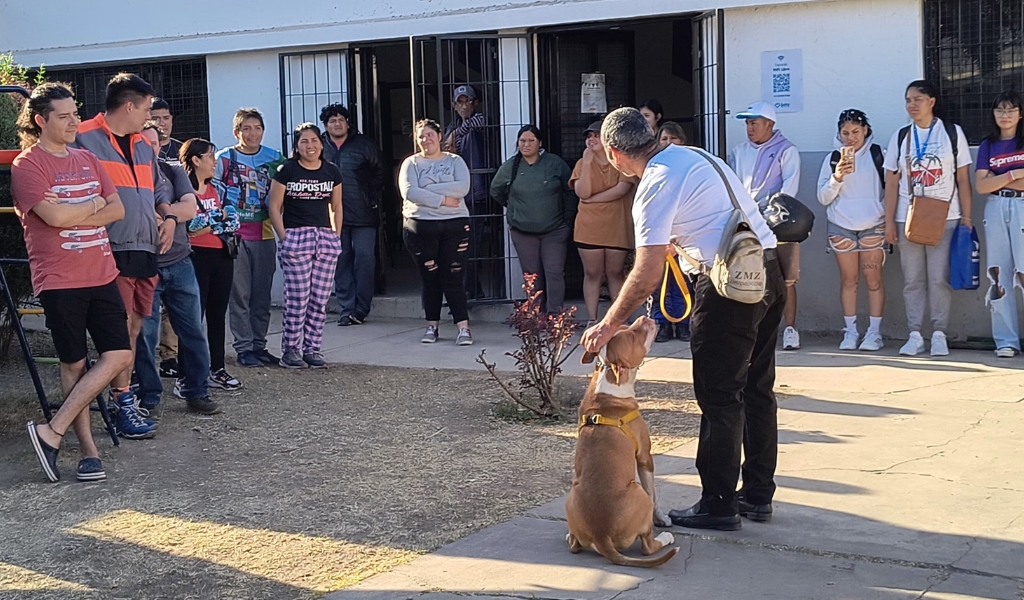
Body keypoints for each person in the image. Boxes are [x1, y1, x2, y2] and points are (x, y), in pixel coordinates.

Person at [582, 107, 783, 531]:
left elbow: (646, 272)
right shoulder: (692, 155)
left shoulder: (653, 183)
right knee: (757, 388)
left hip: (728, 286)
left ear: (616, 155)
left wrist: (608, 323)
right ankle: (758, 495)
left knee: (719, 396)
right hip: (767, 269)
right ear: (651, 134)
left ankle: (718, 504)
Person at [13, 82, 134, 482]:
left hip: (102, 272)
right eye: (63, 117)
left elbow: (117, 209)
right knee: (74, 362)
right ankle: (88, 452)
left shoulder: (88, 159)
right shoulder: (27, 165)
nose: (73, 122)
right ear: (40, 121)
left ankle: (52, 430)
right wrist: (92, 204)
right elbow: (55, 219)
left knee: (119, 355)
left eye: (74, 114)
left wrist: (80, 209)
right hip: (60, 279)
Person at [73, 72, 162, 440]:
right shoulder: (83, 138)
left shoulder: (143, 145)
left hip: (146, 248)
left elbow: (157, 190)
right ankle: (123, 402)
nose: (149, 117)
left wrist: (167, 214)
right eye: (146, 109)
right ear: (129, 105)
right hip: (110, 250)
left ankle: (123, 398)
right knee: (119, 332)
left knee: (136, 327)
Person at [135, 123, 222, 416]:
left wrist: (167, 218)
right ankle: (150, 396)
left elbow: (190, 208)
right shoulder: (126, 172)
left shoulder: (173, 170)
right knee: (146, 335)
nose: (151, 148)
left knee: (193, 331)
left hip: (180, 261)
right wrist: (164, 216)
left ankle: (197, 391)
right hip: (144, 265)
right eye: (143, 142)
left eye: (155, 143)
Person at [883, 80, 973, 357]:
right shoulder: (900, 136)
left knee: (938, 278)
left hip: (945, 215)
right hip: (906, 217)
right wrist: (888, 223)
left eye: (917, 99)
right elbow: (891, 183)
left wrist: (967, 218)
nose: (912, 105)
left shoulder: (951, 133)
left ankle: (938, 333)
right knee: (913, 279)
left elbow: (962, 179)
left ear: (931, 101)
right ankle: (914, 334)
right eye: (908, 100)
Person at [212, 108, 284, 368]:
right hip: (235, 237)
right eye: (246, 128)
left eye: (257, 128)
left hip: (265, 233)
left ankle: (259, 344)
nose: (252, 133)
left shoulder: (275, 158)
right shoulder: (223, 158)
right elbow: (213, 194)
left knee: (261, 294)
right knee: (239, 294)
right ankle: (243, 347)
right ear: (236, 132)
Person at [729, 101, 802, 350]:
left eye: (754, 123)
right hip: (747, 225)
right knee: (750, 275)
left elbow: (788, 190)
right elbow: (734, 186)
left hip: (778, 224)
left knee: (786, 276)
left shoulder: (787, 150)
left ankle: (790, 329)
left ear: (769, 124)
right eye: (747, 123)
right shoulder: (739, 151)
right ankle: (753, 328)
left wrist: (770, 215)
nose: (749, 128)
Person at [269, 123, 344, 368]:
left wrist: (336, 236)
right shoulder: (287, 170)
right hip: (296, 236)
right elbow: (274, 206)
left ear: (321, 144)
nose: (309, 146)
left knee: (319, 299)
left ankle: (312, 348)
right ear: (296, 146)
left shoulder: (331, 171)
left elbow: (336, 206)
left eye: (314, 141)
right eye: (304, 141)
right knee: (298, 298)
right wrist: (284, 237)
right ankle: (291, 350)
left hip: (324, 237)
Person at [816, 109, 887, 352]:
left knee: (874, 279)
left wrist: (885, 218)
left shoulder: (879, 155)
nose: (851, 138)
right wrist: (837, 177)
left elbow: (890, 191)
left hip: (873, 226)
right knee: (849, 280)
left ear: (865, 130)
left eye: (856, 132)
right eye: (845, 133)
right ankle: (851, 332)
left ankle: (874, 333)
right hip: (842, 226)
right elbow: (823, 197)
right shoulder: (833, 158)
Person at [398, 119, 474, 346]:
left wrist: (428, 189)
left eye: (430, 134)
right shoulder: (410, 163)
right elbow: (410, 192)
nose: (426, 139)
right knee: (430, 278)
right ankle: (432, 326)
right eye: (421, 136)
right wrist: (443, 199)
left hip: (455, 226)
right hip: (420, 227)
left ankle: (463, 328)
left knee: (452, 277)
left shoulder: (455, 161)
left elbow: (463, 188)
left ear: (440, 136)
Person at [490, 125, 575, 314]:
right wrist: (515, 208)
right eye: (522, 141)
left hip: (554, 230)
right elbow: (496, 190)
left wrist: (567, 220)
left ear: (540, 143)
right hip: (522, 232)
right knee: (532, 276)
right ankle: (537, 317)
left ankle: (555, 316)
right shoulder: (511, 166)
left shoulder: (554, 163)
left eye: (531, 140)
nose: (526, 144)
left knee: (554, 273)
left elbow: (570, 190)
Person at [183, 138, 244, 386]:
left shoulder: (217, 188)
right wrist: (219, 218)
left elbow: (235, 220)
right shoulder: (183, 189)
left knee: (217, 315)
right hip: (196, 257)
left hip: (222, 255)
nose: (214, 161)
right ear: (196, 160)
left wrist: (212, 219)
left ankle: (217, 368)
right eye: (210, 156)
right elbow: (191, 228)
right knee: (192, 318)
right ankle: (188, 374)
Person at [319, 103, 384, 327]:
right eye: (332, 121)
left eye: (341, 120)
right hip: (330, 214)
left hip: (364, 213)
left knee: (365, 259)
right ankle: (347, 309)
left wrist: (368, 193)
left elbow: (380, 172)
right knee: (340, 260)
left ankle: (361, 308)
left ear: (348, 122)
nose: (337, 124)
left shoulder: (364, 144)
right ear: (326, 125)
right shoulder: (318, 146)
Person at [569, 120, 635, 324]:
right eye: (589, 136)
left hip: (616, 225)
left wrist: (592, 200)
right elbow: (582, 192)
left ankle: (618, 319)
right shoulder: (582, 163)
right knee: (592, 273)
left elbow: (621, 190)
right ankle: (592, 319)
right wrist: (588, 162)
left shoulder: (621, 161)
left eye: (596, 135)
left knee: (615, 273)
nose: (591, 139)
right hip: (589, 227)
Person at [974, 91, 1024, 358]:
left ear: (1020, 113)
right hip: (995, 207)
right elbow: (982, 185)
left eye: (1010, 110)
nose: (1005, 115)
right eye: (999, 110)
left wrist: (999, 177)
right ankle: (1006, 340)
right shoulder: (987, 145)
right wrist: (1015, 173)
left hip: (1022, 206)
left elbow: (992, 180)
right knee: (998, 273)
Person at [443, 84, 491, 299]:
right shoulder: (451, 128)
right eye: (459, 102)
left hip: (476, 194)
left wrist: (454, 134)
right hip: (456, 194)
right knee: (457, 247)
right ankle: (472, 289)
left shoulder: (480, 121)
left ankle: (468, 290)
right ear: (454, 106)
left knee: (472, 246)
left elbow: (478, 123)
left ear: (475, 103)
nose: (464, 106)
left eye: (468, 101)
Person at [652, 122, 692, 343]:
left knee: (682, 282)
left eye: (673, 139)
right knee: (659, 284)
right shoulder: (653, 169)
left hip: (683, 237)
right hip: (660, 236)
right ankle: (662, 323)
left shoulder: (691, 168)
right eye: (664, 139)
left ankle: (684, 323)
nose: (668, 143)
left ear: (682, 142)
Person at [150, 98, 182, 165]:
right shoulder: (138, 149)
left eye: (166, 118)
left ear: (171, 119)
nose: (162, 123)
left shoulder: (183, 149)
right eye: (155, 119)